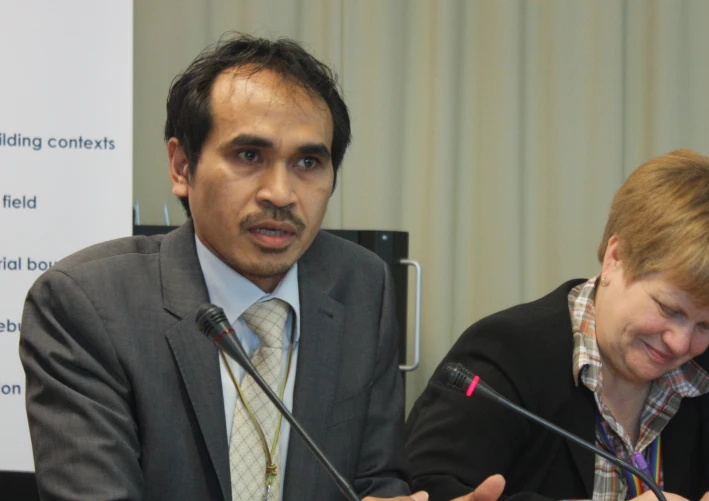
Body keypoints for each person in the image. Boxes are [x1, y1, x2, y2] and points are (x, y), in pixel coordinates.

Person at [20, 34, 501, 501]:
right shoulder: (86, 304)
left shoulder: (361, 284)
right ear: (182, 166)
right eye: (249, 156)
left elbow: (375, 479)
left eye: (309, 162)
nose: (281, 193)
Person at [405, 150, 709, 501]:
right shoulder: (506, 353)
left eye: (707, 325)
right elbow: (427, 488)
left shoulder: (708, 375)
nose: (680, 342)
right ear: (616, 258)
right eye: (669, 309)